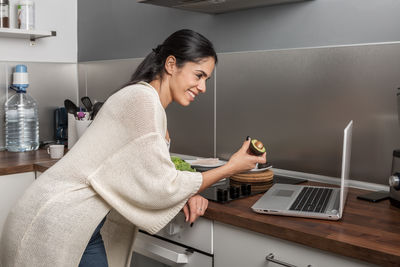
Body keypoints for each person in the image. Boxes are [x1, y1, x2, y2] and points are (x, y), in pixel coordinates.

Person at [0, 29, 266, 267]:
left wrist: (186, 191)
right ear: (171, 64)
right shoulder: (142, 101)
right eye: (199, 75)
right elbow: (163, 185)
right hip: (56, 224)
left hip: (77, 226)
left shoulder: (148, 102)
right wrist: (232, 167)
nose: (203, 87)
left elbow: (146, 171)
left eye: (206, 79)